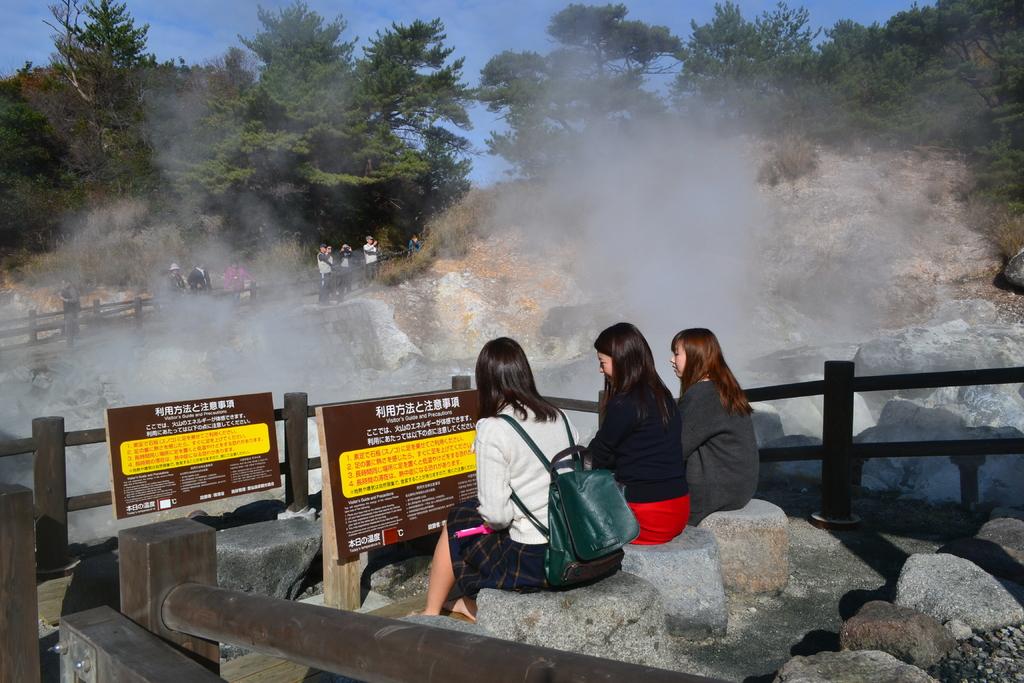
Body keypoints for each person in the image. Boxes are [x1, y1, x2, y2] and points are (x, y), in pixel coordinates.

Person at [423, 337, 579, 621]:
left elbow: (497, 516)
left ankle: (434, 611)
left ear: (486, 381)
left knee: (458, 517)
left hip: (535, 557)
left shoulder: (494, 429)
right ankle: (450, 605)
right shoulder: (561, 416)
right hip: (572, 540)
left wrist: (493, 520)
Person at [589, 322, 689, 544]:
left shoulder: (625, 402)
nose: (600, 369)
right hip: (679, 509)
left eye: (602, 362)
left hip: (647, 517)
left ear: (621, 360)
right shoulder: (662, 395)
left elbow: (599, 455)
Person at [671, 328, 758, 526]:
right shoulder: (721, 386)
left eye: (676, 353)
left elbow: (675, 448)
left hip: (715, 490)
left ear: (695, 356)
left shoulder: (702, 394)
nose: (672, 360)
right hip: (739, 487)